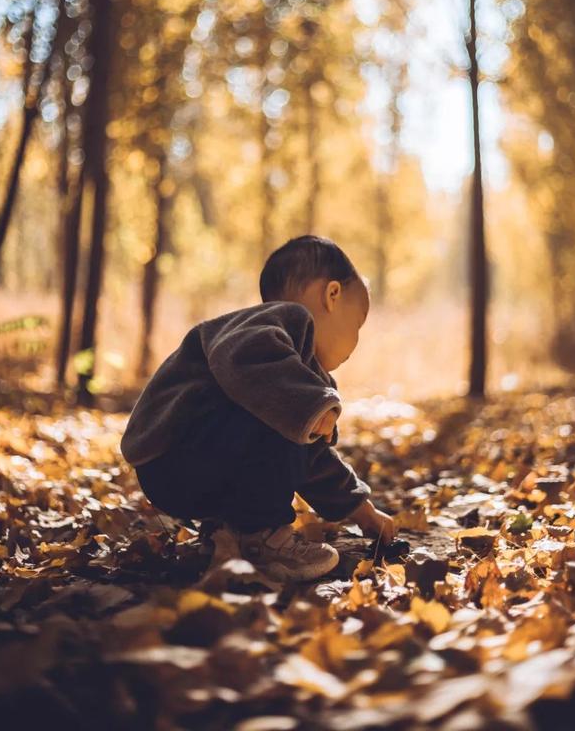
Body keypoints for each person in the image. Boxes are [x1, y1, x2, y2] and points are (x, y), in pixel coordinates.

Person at [120, 234, 395, 582]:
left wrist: (360, 509)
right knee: (285, 410)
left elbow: (310, 458)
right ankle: (261, 540)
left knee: (291, 421)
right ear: (332, 295)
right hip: (180, 448)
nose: (357, 339)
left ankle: (232, 535)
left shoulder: (295, 375)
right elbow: (244, 359)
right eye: (357, 324)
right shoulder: (279, 323)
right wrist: (313, 405)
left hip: (179, 466)